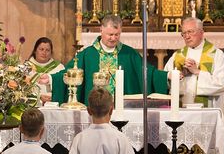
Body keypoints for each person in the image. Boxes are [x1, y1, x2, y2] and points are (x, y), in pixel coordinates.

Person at [41, 14, 169, 106]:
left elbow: (148, 72)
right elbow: (71, 71)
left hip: (122, 108)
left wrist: (167, 76)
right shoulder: (88, 54)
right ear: (101, 30)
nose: (113, 38)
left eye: (117, 34)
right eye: (110, 34)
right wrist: (51, 79)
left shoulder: (129, 53)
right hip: (95, 108)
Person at [164, 17, 224, 109]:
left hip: (207, 112)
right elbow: (165, 81)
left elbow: (221, 84)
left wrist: (197, 72)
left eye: (190, 32)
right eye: (184, 33)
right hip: (180, 110)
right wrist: (178, 76)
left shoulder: (216, 54)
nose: (187, 36)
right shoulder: (177, 56)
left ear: (201, 33)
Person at [28, 37, 64, 105]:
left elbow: (63, 88)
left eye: (47, 50)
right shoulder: (27, 68)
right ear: (35, 51)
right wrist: (39, 97)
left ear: (51, 52)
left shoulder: (59, 68)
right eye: (41, 49)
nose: (44, 52)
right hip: (33, 107)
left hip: (54, 105)